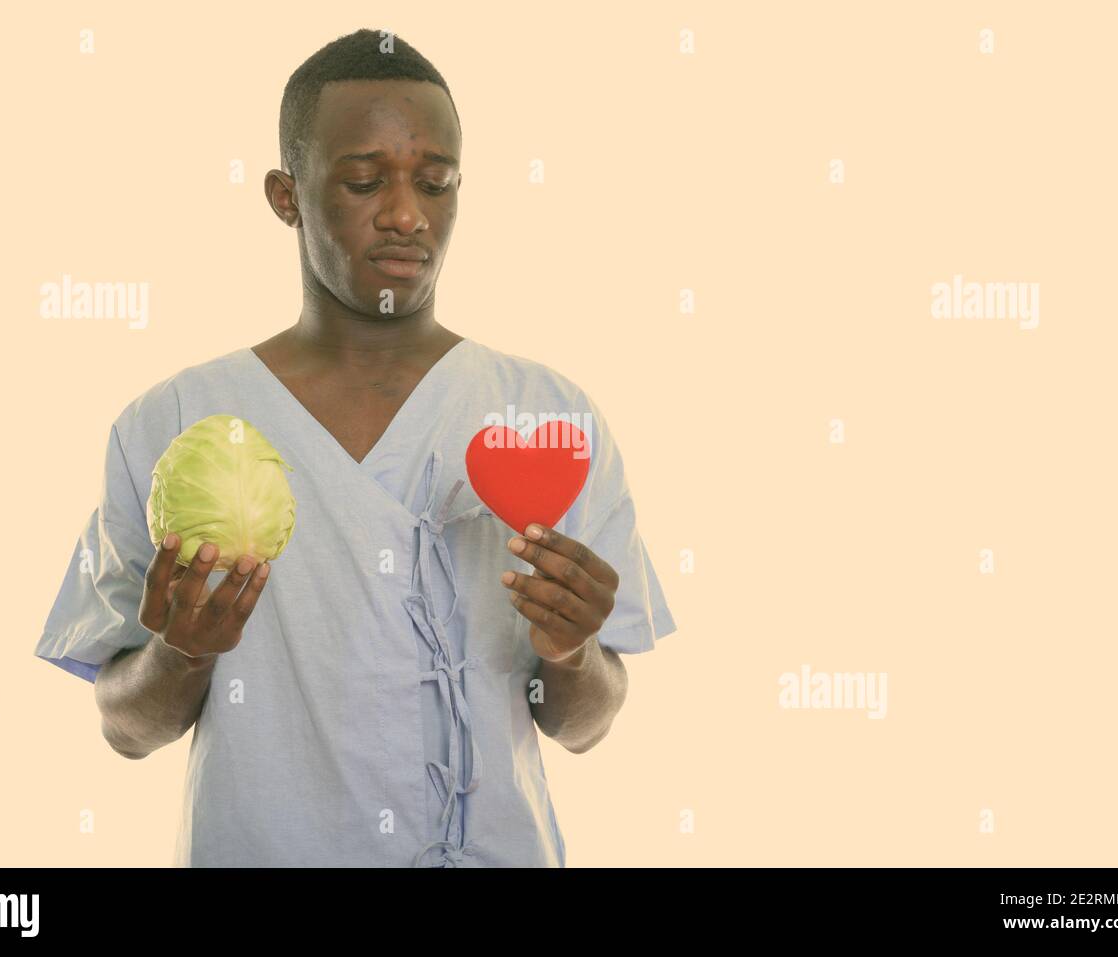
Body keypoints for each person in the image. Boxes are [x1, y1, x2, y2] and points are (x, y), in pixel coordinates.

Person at [34, 28, 677, 867]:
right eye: (366, 180)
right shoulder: (175, 421)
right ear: (285, 194)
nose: (407, 214)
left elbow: (585, 728)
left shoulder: (547, 416)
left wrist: (572, 650)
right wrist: (181, 651)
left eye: (436, 182)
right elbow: (124, 728)